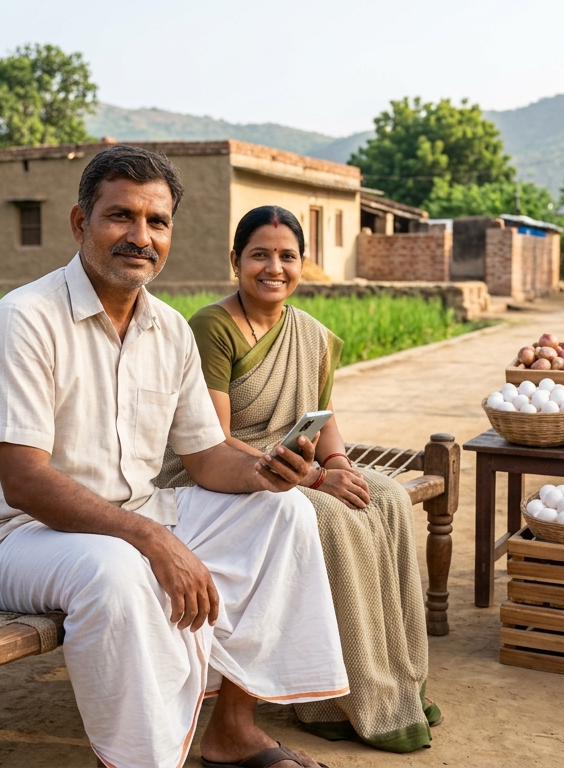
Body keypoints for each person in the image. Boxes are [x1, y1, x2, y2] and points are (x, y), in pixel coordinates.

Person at [0, 146, 347, 768]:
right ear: (81, 223)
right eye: (121, 217)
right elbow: (25, 482)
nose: (141, 237)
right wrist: (153, 540)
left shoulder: (168, 329)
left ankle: (232, 731)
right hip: (18, 538)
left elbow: (208, 454)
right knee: (118, 568)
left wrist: (266, 472)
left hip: (136, 513)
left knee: (287, 513)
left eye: (157, 222)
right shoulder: (25, 318)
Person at [157, 206, 439, 753]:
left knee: (385, 500)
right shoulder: (212, 327)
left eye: (287, 256)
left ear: (302, 265)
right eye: (259, 254)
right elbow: (212, 437)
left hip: (299, 465)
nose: (273, 267)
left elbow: (324, 416)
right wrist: (311, 479)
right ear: (234, 260)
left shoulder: (309, 333)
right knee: (333, 516)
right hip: (226, 471)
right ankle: (331, 698)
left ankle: (395, 679)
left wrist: (335, 466)